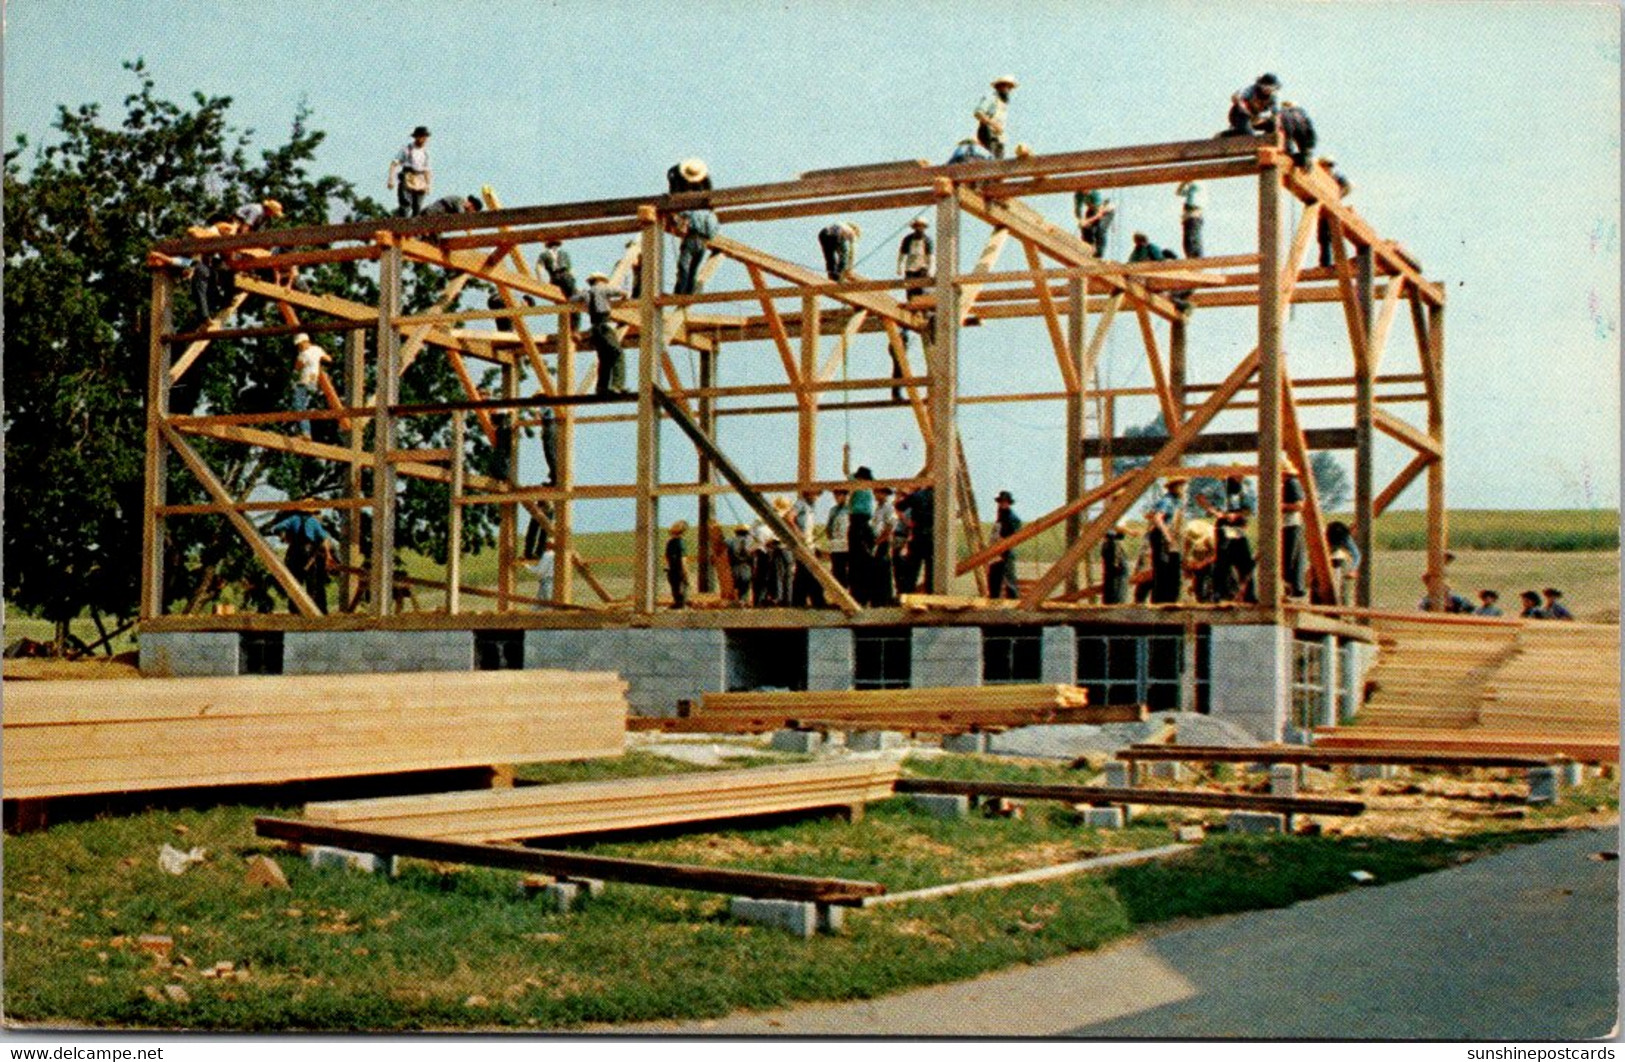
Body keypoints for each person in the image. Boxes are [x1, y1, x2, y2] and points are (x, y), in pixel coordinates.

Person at [1197, 476, 1255, 602]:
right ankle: (1219, 593)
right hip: (1224, 526)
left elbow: (1249, 509)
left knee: (1245, 561)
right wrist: (1216, 513)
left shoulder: (1245, 488)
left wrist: (1237, 515)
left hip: (1238, 527)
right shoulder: (1219, 485)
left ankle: (1249, 595)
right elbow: (1200, 497)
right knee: (1222, 560)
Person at [266, 510, 335, 615]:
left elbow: (278, 528)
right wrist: (328, 555)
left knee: (294, 582)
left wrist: (283, 536)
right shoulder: (313, 521)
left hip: (295, 553)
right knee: (312, 583)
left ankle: (294, 609)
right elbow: (324, 538)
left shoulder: (293, 519)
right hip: (308, 554)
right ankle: (315, 609)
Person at [578, 272, 627, 395]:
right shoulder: (603, 288)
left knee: (604, 358)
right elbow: (622, 292)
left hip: (595, 329)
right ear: (600, 280)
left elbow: (573, 299)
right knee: (617, 354)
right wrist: (624, 298)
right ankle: (617, 386)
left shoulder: (587, 292)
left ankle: (601, 388)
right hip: (605, 326)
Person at [1146, 477, 1188, 603]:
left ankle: (1170, 599)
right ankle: (1160, 600)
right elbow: (1157, 518)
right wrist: (1167, 535)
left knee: (1173, 566)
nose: (1184, 489)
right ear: (1175, 487)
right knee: (1163, 567)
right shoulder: (1167, 501)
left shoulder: (1177, 501)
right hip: (1162, 535)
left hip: (1169, 534)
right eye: (1181, 486)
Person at [290, 333, 332, 438]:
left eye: (299, 345)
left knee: (298, 406)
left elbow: (297, 367)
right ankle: (304, 431)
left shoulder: (303, 354)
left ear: (305, 342)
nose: (299, 347)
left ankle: (305, 432)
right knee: (303, 405)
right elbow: (328, 359)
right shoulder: (317, 349)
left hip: (304, 382)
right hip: (313, 382)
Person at [789, 490, 826, 607]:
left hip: (809, 544)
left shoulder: (810, 507)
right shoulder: (801, 503)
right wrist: (798, 532)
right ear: (808, 494)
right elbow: (789, 517)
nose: (816, 498)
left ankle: (801, 601)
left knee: (804, 573)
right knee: (810, 572)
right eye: (815, 494)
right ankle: (816, 600)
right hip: (803, 544)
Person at [386, 126, 433, 217]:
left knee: (418, 206)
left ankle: (415, 228)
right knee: (405, 203)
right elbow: (394, 163)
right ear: (417, 137)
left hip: (420, 178)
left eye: (425, 137)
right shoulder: (407, 149)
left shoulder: (425, 152)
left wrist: (428, 184)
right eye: (422, 136)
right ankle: (404, 226)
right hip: (408, 176)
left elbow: (427, 170)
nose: (424, 139)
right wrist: (391, 179)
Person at [847, 468, 877, 606]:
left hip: (861, 523)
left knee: (861, 560)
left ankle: (863, 596)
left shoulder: (864, 488)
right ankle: (860, 596)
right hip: (860, 522)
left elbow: (846, 470)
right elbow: (847, 471)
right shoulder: (863, 487)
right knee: (859, 561)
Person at [895, 483, 934, 592]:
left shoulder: (917, 495)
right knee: (931, 569)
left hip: (918, 533)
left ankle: (908, 592)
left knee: (912, 567)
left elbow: (899, 506)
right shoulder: (940, 496)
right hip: (933, 535)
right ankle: (931, 594)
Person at [1316, 157, 1353, 267]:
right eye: (1325, 165)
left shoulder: (1336, 178)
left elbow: (1348, 187)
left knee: (1334, 236)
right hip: (1323, 211)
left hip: (1333, 210)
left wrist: (1337, 196)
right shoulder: (1319, 178)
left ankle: (1339, 262)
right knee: (1323, 238)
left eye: (1329, 166)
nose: (1328, 168)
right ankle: (1325, 263)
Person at [672, 207, 719, 296]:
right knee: (693, 269)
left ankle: (680, 292)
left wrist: (675, 217)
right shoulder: (713, 217)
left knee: (683, 266)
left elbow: (683, 215)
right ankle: (690, 293)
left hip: (692, 239)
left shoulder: (695, 211)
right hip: (703, 244)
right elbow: (714, 233)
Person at [537, 238, 580, 331]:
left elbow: (539, 268)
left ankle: (564, 328)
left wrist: (541, 282)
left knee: (560, 302)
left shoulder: (544, 254)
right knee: (574, 300)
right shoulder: (564, 253)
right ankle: (574, 329)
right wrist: (574, 282)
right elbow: (570, 270)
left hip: (554, 278)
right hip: (565, 276)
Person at [987, 490, 1023, 599]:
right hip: (996, 552)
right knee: (994, 578)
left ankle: (1014, 603)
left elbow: (1016, 535)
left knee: (1009, 579)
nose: (1002, 503)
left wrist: (1004, 541)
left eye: (1005, 502)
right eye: (1001, 502)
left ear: (1009, 503)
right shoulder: (1000, 515)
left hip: (1006, 552)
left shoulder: (1013, 518)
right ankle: (993, 601)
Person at [973, 75, 1018, 159]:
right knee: (992, 162)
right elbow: (978, 113)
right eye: (1005, 86)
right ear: (999, 87)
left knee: (999, 162)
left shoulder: (1002, 103)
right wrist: (993, 124)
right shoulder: (992, 98)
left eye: (1009, 87)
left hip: (998, 138)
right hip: (989, 135)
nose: (1008, 90)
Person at [1281, 469, 1308, 598]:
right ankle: (1295, 587)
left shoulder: (1291, 483)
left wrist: (1281, 506)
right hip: (1288, 524)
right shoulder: (1288, 483)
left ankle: (1292, 587)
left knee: (1290, 557)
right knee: (1293, 557)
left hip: (1291, 524)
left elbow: (1299, 505)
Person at [872, 486, 900, 605]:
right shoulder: (878, 508)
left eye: (877, 492)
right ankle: (879, 598)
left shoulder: (888, 508)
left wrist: (880, 540)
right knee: (878, 570)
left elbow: (890, 526)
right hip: (878, 540)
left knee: (884, 569)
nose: (875, 495)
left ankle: (886, 598)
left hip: (883, 541)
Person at [1325, 520, 1361, 604]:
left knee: (1342, 586)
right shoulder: (1325, 533)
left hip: (1338, 557)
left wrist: (1352, 569)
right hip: (1329, 555)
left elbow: (1356, 555)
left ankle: (1344, 606)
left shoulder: (1346, 537)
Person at [1183, 519, 1218, 602]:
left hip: (1213, 564)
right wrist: (1186, 564)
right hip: (1200, 562)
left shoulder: (1211, 537)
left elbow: (1217, 556)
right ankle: (1199, 595)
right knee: (1199, 585)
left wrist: (1202, 564)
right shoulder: (1189, 534)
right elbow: (1186, 550)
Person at [1074, 189, 1116, 259]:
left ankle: (1099, 254)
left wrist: (1087, 221)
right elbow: (1078, 210)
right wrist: (1081, 220)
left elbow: (1099, 215)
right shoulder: (1078, 194)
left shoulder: (1095, 194)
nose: (1085, 192)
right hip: (1092, 210)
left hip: (1106, 212)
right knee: (1086, 229)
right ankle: (1088, 248)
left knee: (1100, 229)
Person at [1276, 100, 1317, 170]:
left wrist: (1288, 149)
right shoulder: (1302, 113)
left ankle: (1301, 160)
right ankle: (1305, 161)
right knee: (1304, 152)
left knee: (1289, 151)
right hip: (1304, 134)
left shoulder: (1284, 113)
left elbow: (1287, 130)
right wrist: (1309, 148)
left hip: (1292, 130)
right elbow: (1310, 130)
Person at [826, 489, 852, 590]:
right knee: (837, 570)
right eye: (835, 496)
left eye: (839, 495)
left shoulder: (850, 509)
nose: (836, 498)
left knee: (849, 570)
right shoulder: (833, 510)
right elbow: (829, 526)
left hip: (847, 543)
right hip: (836, 544)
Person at [1101, 523, 1132, 605]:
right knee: (1119, 579)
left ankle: (1112, 604)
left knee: (1112, 579)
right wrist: (1130, 531)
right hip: (1114, 547)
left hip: (1111, 546)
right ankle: (1116, 604)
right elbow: (1117, 527)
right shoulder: (1111, 519)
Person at [1175, 180, 1205, 258]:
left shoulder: (1198, 185)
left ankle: (1196, 258)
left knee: (1192, 239)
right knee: (1188, 240)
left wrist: (1186, 180)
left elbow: (1194, 184)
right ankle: (1192, 257)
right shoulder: (1191, 189)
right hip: (1189, 216)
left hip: (1193, 215)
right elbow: (1178, 192)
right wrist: (1184, 182)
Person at [726, 525, 754, 605]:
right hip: (746, 566)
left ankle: (735, 601)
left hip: (734, 566)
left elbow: (723, 543)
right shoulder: (750, 541)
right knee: (745, 586)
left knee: (735, 585)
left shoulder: (730, 540)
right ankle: (743, 601)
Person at [665, 521, 689, 608]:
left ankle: (677, 603)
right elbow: (683, 559)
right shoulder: (681, 543)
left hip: (671, 569)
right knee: (684, 586)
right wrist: (685, 572)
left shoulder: (669, 543)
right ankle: (682, 604)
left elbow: (667, 557)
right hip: (679, 570)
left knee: (675, 588)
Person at [419, 194, 483, 216]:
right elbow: (461, 215)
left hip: (437, 216)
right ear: (471, 205)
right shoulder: (459, 200)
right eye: (473, 210)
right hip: (433, 212)